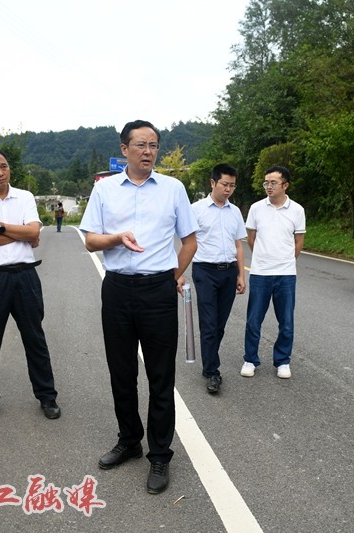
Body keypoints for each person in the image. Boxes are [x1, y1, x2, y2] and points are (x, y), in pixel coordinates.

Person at [79, 120, 198, 495]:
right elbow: (90, 241)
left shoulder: (173, 189)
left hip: (158, 291)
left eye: (154, 145)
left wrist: (171, 276)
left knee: (161, 375)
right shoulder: (105, 189)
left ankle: (159, 454)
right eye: (141, 145)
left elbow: (190, 241)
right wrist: (116, 238)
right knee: (121, 371)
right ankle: (129, 439)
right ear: (124, 149)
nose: (148, 151)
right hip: (117, 289)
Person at [0, 147, 61, 425]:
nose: (0, 173)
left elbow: (33, 231)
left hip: (25, 277)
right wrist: (21, 233)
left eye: (4, 167)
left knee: (35, 338)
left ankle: (47, 396)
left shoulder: (25, 197)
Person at [241, 166, 305, 379]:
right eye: (266, 183)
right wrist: (263, 257)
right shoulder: (256, 208)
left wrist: (286, 261)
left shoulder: (297, 210)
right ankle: (250, 359)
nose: (268, 186)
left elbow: (298, 241)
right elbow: (251, 238)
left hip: (286, 274)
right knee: (253, 320)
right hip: (260, 273)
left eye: (273, 183)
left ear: (285, 185)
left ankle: (283, 361)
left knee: (286, 321)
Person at [190, 163, 246, 394]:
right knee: (209, 323)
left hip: (228, 272)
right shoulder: (196, 209)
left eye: (232, 185)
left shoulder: (235, 212)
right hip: (204, 271)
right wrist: (177, 272)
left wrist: (241, 274)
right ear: (213, 183)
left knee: (220, 325)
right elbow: (187, 242)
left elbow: (238, 245)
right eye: (224, 184)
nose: (228, 189)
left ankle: (209, 362)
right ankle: (212, 371)